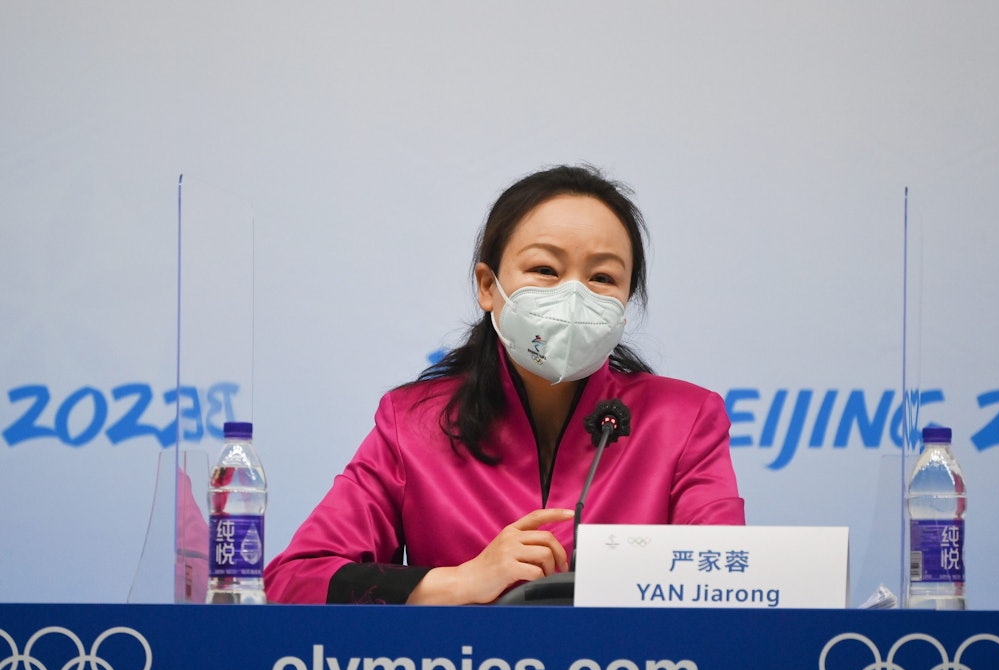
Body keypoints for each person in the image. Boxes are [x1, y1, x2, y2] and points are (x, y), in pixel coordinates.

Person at [264, 164, 745, 605]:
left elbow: (725, 585)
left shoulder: (684, 422)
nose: (573, 295)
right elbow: (295, 579)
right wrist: (459, 581)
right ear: (488, 287)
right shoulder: (413, 424)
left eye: (602, 277)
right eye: (545, 270)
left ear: (625, 301)